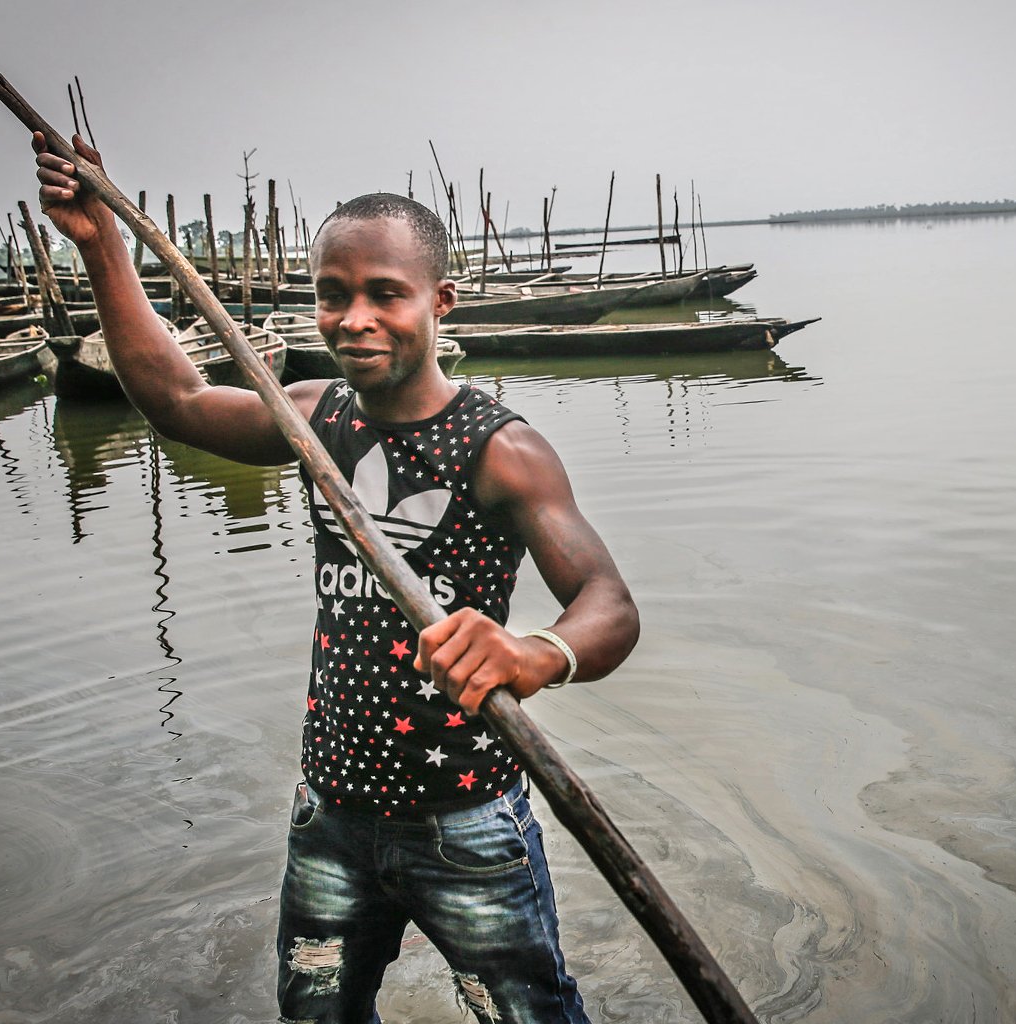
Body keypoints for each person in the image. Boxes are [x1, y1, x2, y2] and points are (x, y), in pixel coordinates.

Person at [33, 131, 640, 1024]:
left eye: (385, 295)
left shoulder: (500, 451)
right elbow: (177, 402)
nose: (354, 318)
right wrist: (102, 248)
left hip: (465, 821)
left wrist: (534, 652)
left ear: (442, 302)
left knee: (531, 1015)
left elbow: (609, 605)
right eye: (333, 295)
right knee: (315, 1011)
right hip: (331, 812)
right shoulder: (313, 417)